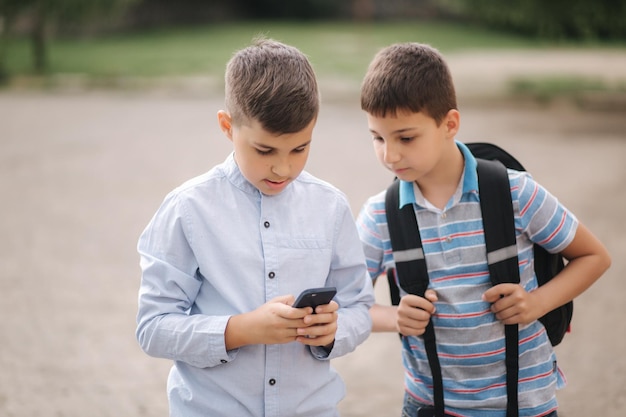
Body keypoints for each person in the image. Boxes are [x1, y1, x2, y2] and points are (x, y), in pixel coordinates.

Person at [356, 42, 611, 417]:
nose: (389, 155)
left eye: (405, 138)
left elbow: (594, 257)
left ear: (450, 124)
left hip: (526, 404)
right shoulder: (381, 215)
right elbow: (347, 305)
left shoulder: (515, 192)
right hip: (430, 405)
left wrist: (537, 302)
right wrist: (393, 317)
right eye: (377, 138)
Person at [136, 37, 374, 417]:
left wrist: (334, 330)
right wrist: (241, 329)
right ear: (227, 127)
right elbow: (152, 327)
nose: (283, 169)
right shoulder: (188, 208)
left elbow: (360, 307)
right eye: (265, 151)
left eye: (300, 149)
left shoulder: (330, 207)